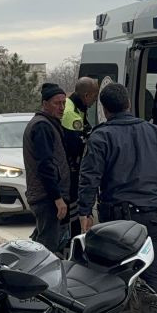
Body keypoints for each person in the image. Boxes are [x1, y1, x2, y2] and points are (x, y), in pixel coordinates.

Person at [78, 82, 157, 313]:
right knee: (153, 273)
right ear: (128, 104)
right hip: (153, 215)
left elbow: (90, 177)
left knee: (111, 274)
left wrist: (85, 211)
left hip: (118, 220)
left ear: (104, 109)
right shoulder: (155, 132)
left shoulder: (101, 136)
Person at [22, 83, 72, 253]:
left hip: (48, 198)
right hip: (47, 199)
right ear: (45, 103)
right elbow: (45, 165)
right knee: (47, 251)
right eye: (57, 103)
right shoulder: (42, 126)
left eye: (64, 103)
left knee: (43, 243)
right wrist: (57, 198)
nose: (62, 107)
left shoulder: (49, 123)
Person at [61, 77, 100, 244]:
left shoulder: (78, 106)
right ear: (86, 95)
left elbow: (88, 129)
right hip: (70, 172)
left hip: (71, 171)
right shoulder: (71, 113)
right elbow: (76, 146)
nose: (94, 101)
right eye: (94, 96)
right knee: (72, 216)